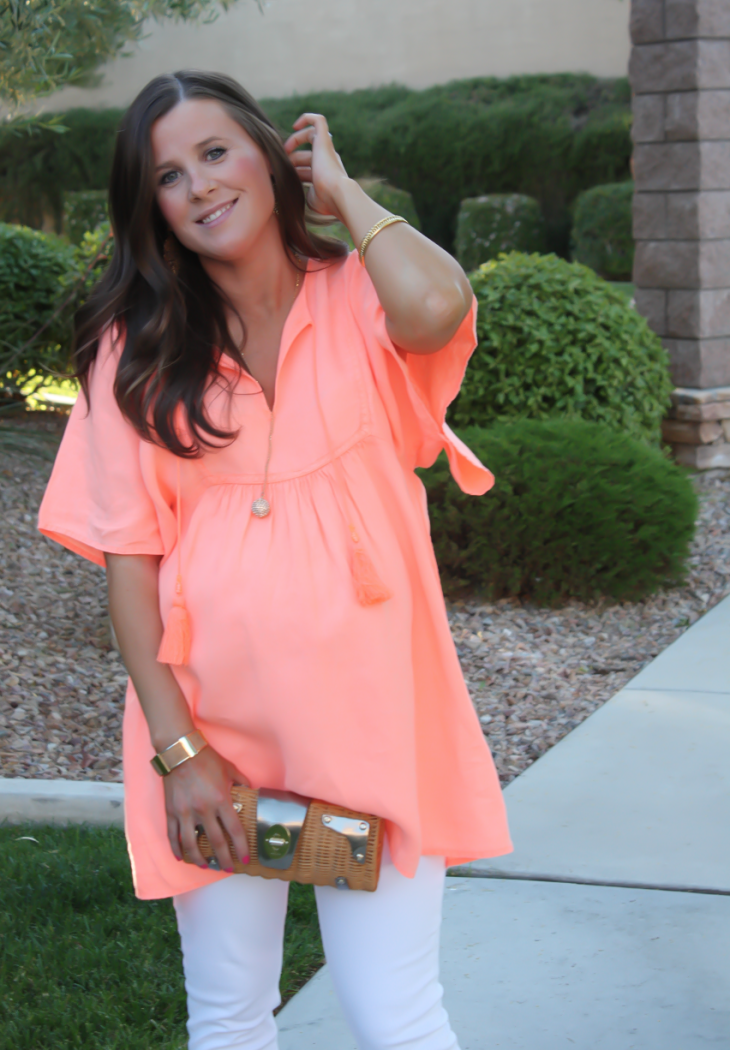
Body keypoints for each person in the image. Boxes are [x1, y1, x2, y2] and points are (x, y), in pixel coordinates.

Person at [38, 70, 511, 1050]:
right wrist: (182, 758)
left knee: (396, 1013)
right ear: (153, 209)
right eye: (169, 176)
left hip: (376, 724)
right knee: (229, 1015)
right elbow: (130, 572)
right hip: (214, 739)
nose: (200, 186)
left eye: (215, 152)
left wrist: (341, 192)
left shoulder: (359, 302)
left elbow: (438, 307)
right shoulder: (135, 348)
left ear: (266, 151)